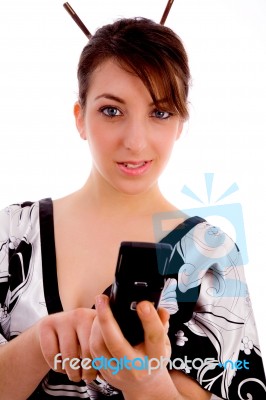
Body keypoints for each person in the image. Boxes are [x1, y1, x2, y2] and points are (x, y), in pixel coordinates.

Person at [0, 16, 265, 400]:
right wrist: (37, 344)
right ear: (80, 118)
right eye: (112, 111)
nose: (136, 142)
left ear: (180, 123)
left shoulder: (211, 254)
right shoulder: (12, 234)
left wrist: (149, 384)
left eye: (160, 113)